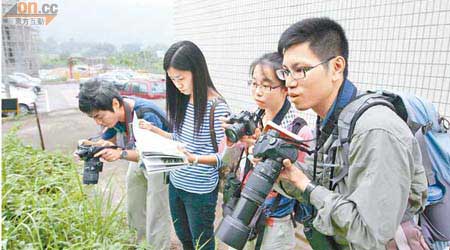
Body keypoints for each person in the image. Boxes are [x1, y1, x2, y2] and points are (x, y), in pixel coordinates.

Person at [275, 17, 429, 249]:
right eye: (286, 71)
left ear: (336, 67)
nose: (289, 83)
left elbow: (370, 235)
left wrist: (306, 186)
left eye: (301, 70)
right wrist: (279, 170)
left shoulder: (375, 130)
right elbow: (323, 182)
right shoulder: (334, 120)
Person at [140, 40, 230, 250]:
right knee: (184, 238)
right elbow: (181, 140)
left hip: (200, 191)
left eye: (180, 78)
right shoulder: (184, 100)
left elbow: (223, 158)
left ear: (197, 71)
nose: (177, 85)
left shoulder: (217, 109)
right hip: (176, 183)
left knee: (202, 243)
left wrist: (194, 159)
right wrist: (154, 130)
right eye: (172, 80)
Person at [221, 52, 313, 250]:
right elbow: (228, 165)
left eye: (266, 85)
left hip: (275, 222)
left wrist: (263, 157)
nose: (258, 92)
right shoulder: (250, 121)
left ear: (285, 88)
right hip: (242, 212)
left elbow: (303, 188)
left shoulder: (298, 132)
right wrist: (232, 142)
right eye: (254, 84)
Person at [78, 80, 171, 249]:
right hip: (139, 155)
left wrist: (120, 153)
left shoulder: (145, 114)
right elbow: (107, 140)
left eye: (99, 116)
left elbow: (153, 155)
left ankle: (158, 247)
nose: (98, 122)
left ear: (115, 103)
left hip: (161, 161)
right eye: (93, 118)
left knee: (156, 211)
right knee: (134, 201)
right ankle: (140, 244)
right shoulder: (117, 114)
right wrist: (88, 147)